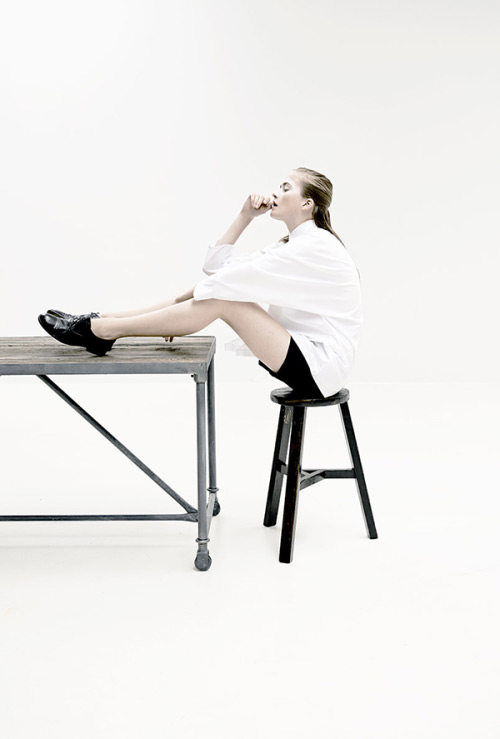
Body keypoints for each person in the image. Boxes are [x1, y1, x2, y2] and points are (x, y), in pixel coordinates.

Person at [38, 167, 363, 399]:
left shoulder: (314, 245)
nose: (276, 192)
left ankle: (104, 330)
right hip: (305, 356)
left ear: (307, 204)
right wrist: (245, 216)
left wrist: (186, 300)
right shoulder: (292, 244)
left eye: (286, 187)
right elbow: (216, 268)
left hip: (320, 367)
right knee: (220, 293)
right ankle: (103, 321)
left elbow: (223, 281)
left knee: (221, 298)